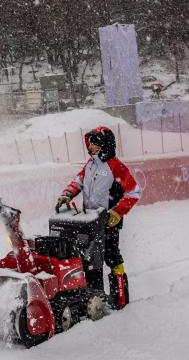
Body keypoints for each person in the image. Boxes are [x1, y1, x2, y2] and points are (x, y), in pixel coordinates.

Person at [55, 126, 141, 309]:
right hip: (88, 221)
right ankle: (96, 299)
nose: (90, 146)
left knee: (111, 256)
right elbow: (77, 182)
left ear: (104, 145)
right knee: (90, 259)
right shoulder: (90, 164)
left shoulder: (116, 167)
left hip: (108, 222)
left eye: (94, 143)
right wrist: (67, 194)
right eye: (90, 143)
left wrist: (118, 212)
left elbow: (134, 192)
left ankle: (120, 300)